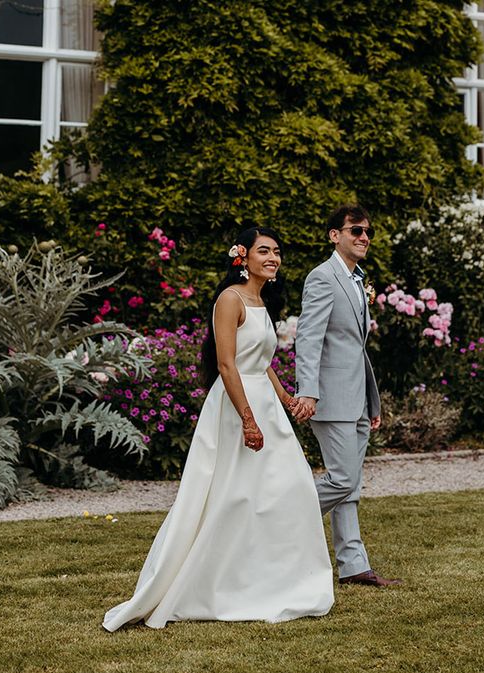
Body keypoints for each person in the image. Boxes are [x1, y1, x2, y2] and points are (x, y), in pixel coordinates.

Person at [102, 227, 334, 630]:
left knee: (290, 491)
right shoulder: (230, 299)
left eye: (277, 252)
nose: (273, 258)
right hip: (235, 407)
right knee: (231, 497)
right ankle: (212, 587)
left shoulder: (262, 300)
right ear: (243, 257)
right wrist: (247, 419)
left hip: (267, 407)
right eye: (264, 251)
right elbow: (228, 365)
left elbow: (262, 362)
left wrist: (285, 399)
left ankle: (278, 581)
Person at [292, 204, 403, 588]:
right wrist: (307, 390)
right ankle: (280, 520)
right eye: (355, 230)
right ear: (334, 235)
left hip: (357, 398)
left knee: (351, 485)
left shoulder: (358, 280)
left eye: (367, 231)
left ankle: (353, 565)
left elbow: (355, 347)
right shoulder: (322, 278)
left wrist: (371, 402)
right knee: (341, 479)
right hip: (330, 397)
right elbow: (309, 337)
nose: (364, 237)